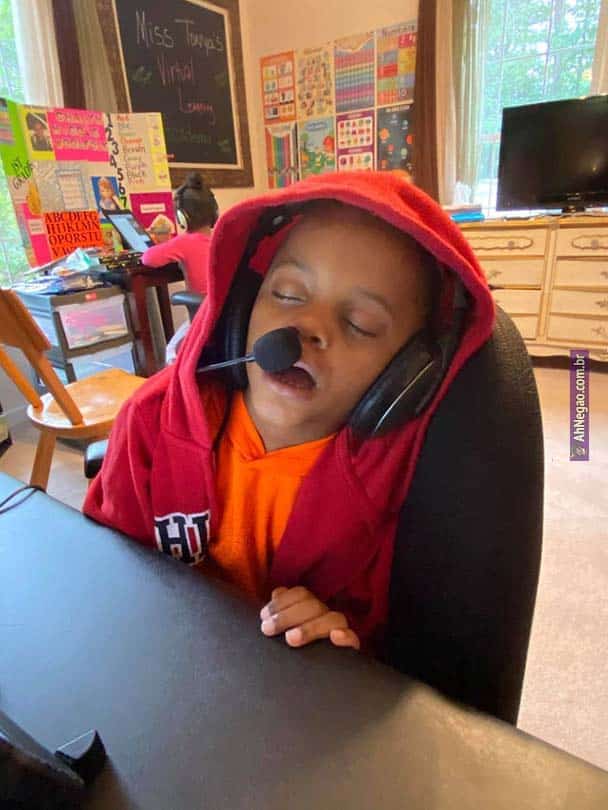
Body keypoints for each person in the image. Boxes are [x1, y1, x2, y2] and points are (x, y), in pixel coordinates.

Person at [83, 171, 494, 657]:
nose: (308, 326)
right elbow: (107, 572)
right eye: (287, 295)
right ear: (240, 308)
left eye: (360, 323)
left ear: (405, 378)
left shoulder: (400, 487)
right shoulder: (150, 420)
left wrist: (335, 633)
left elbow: (392, 650)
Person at [141, 172, 218, 296]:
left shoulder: (183, 242)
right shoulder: (221, 238)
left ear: (182, 217)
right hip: (227, 306)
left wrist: (165, 245)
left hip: (204, 307)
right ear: (215, 214)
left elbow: (147, 258)